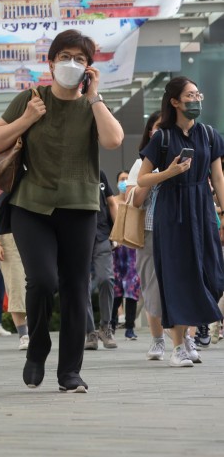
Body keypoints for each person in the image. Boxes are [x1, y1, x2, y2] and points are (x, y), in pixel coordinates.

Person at [0, 29, 124, 392]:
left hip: (80, 208)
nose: (71, 64)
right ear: (50, 62)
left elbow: (113, 140)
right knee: (43, 281)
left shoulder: (93, 106)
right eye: (65, 57)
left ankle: (70, 372)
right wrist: (27, 119)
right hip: (31, 206)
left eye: (80, 59)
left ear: (89, 69)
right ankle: (37, 348)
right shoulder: (30, 99)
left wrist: (94, 98)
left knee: (77, 288)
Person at [137, 77, 224, 368]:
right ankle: (177, 346)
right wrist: (169, 172)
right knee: (175, 277)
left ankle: (187, 337)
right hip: (171, 209)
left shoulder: (209, 135)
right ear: (175, 102)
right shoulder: (161, 137)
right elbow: (142, 179)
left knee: (210, 275)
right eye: (190, 95)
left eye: (198, 93)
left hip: (201, 207)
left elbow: (219, 177)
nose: (197, 98)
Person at [126, 112, 168, 361]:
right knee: (152, 287)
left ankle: (185, 339)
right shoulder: (141, 163)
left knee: (180, 284)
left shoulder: (185, 159)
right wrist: (154, 175)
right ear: (150, 133)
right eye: (157, 129)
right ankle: (157, 339)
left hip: (178, 231)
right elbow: (134, 199)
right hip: (149, 230)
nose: (162, 133)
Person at [84, 171, 119, 351]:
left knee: (106, 279)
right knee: (81, 284)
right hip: (77, 238)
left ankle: (106, 327)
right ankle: (89, 332)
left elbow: (112, 203)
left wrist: (118, 231)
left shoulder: (99, 174)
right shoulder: (66, 172)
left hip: (101, 235)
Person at [0, 191, 29, 350]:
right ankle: (24, 335)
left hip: (32, 236)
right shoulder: (2, 185)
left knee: (39, 285)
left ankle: (35, 332)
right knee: (16, 287)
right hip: (8, 239)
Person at [111, 169, 140, 342]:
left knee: (132, 288)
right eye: (121, 179)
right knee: (115, 289)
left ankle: (130, 327)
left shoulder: (133, 202)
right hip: (115, 250)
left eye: (127, 179)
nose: (124, 182)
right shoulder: (112, 201)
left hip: (131, 251)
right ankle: (111, 326)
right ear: (117, 183)